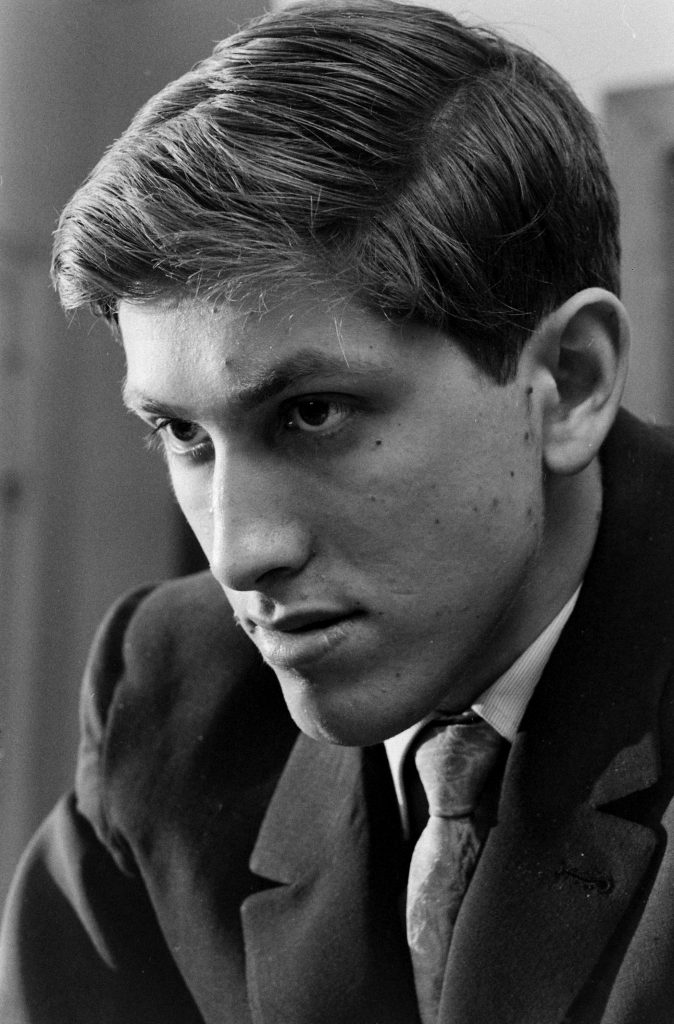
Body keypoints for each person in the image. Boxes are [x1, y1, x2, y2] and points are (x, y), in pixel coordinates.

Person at [2, 1, 674, 1021]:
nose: (237, 554)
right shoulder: (174, 696)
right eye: (182, 432)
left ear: (569, 383)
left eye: (312, 413)